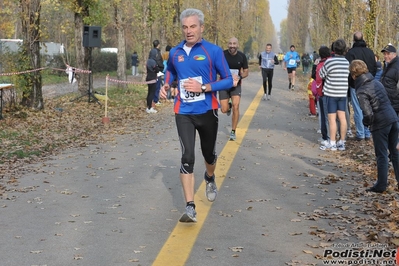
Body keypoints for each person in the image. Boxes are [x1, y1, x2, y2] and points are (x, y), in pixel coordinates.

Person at [159, 8, 233, 222]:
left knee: (209, 155)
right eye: (185, 27)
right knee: (187, 156)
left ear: (201, 27)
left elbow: (228, 80)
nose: (188, 31)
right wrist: (166, 84)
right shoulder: (175, 52)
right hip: (183, 112)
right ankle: (190, 206)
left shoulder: (213, 51)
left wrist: (205, 87)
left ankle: (209, 176)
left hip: (207, 110)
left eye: (193, 26)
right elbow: (171, 70)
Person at [349, 60, 399, 193]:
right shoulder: (377, 82)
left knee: (381, 155)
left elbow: (368, 113)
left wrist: (367, 124)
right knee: (395, 153)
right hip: (393, 118)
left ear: (354, 75)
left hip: (380, 123)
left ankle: (381, 185)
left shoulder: (361, 90)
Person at [345, 32, 376, 141]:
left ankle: (361, 133)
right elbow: (374, 67)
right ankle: (368, 133)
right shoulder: (370, 52)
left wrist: (350, 82)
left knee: (358, 109)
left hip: (355, 85)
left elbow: (347, 71)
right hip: (369, 83)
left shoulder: (350, 53)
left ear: (353, 40)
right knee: (368, 107)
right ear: (363, 39)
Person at [319, 39, 349, 151]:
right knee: (342, 118)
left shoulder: (329, 62)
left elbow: (321, 74)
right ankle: (342, 142)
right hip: (342, 93)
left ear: (334, 49)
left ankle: (332, 142)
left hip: (331, 93)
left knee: (332, 119)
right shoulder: (347, 62)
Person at [220, 37, 249, 141]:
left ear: (238, 45)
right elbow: (215, 68)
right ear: (228, 44)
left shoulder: (242, 56)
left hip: (236, 85)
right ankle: (229, 106)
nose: (232, 46)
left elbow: (246, 71)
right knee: (224, 110)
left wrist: (239, 77)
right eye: (230, 43)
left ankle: (233, 131)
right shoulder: (222, 55)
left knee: (236, 106)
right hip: (223, 84)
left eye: (234, 44)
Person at [315, 46, 331, 144]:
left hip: (324, 93)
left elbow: (318, 80)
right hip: (337, 92)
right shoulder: (333, 61)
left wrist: (319, 93)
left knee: (325, 116)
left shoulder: (321, 65)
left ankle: (326, 137)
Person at [380, 44, 399, 116]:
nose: (385, 56)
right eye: (384, 54)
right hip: (388, 102)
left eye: (388, 54)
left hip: (394, 103)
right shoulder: (387, 65)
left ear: (394, 54)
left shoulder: (396, 67)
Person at [149, 40, 164, 106]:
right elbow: (159, 61)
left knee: (152, 86)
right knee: (157, 86)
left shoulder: (151, 51)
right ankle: (155, 100)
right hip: (157, 70)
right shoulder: (157, 52)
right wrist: (161, 67)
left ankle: (152, 99)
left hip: (151, 70)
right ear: (158, 45)